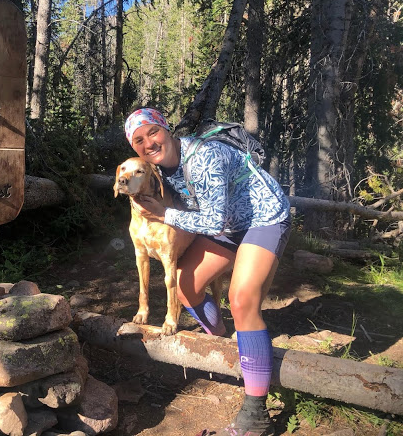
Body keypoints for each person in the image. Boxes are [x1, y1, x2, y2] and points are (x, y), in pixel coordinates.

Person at [124, 107, 291, 436]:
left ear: (166, 128)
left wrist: (164, 215)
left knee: (241, 299)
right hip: (229, 226)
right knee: (186, 287)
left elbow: (210, 221)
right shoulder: (160, 171)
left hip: (264, 217)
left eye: (153, 132)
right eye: (139, 140)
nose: (149, 143)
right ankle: (227, 347)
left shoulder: (204, 156)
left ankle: (256, 416)